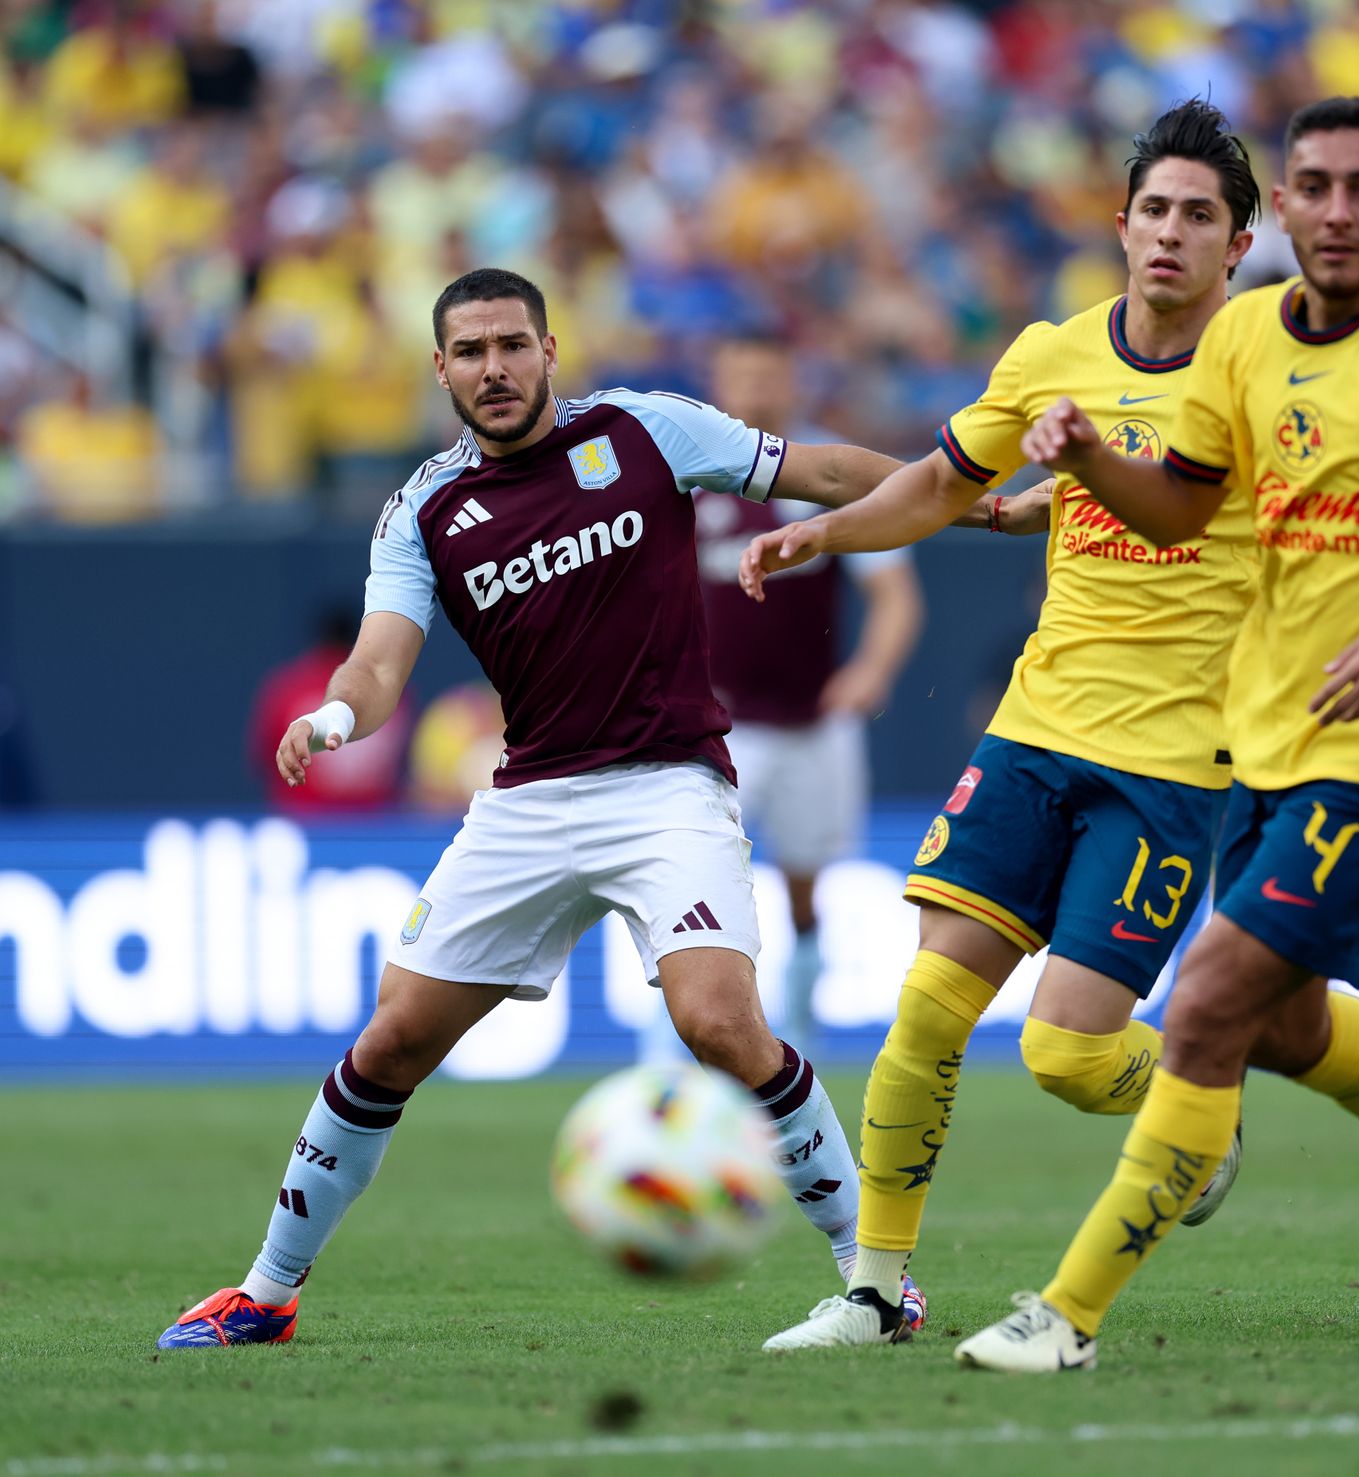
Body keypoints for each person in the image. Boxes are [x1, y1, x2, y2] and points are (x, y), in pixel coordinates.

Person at [750, 99, 1359, 1355]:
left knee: (1070, 1053)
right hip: (1035, 728)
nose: (1171, 235)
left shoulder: (1269, 369)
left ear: (1242, 244)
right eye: (1154, 211)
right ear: (1120, 227)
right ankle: (874, 1289)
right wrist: (826, 532)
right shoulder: (1053, 352)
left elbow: (1213, 492)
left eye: (1200, 218)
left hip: (1185, 759)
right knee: (929, 1008)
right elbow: (944, 479)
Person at [154, 265, 1004, 1348]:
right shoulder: (424, 509)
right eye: (471, 352)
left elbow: (819, 466)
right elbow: (379, 664)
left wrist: (971, 502)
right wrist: (332, 718)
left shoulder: (643, 430)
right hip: (530, 800)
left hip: (668, 785)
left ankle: (877, 1282)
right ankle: (266, 1294)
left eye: (513, 345)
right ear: (441, 368)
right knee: (389, 1043)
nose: (495, 368)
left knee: (719, 1022)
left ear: (550, 350)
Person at [954, 97, 1359, 1371]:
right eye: (1315, 185)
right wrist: (1086, 457)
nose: (1338, 210)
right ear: (1289, 208)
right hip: (1264, 744)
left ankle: (1068, 1312)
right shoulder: (1247, 337)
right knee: (1283, 1026)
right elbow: (1179, 514)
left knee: (1198, 1011)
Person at [687, 334, 924, 1056]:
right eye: (741, 375)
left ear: (791, 379)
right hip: (715, 728)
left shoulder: (823, 473)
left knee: (802, 889)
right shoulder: (688, 476)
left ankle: (800, 1024)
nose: (755, 390)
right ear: (719, 381)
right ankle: (683, 1039)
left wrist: (871, 671)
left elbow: (894, 594)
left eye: (768, 375)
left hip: (812, 723)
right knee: (696, 884)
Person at [247, 607, 410, 812]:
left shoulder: (288, 687)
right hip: (373, 830)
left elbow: (266, 758)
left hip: (304, 824)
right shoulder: (390, 692)